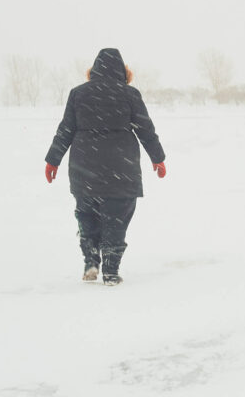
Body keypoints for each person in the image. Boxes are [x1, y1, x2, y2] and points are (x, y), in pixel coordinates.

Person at [44, 48, 166, 285]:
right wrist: (158, 157)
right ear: (124, 71)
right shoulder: (130, 94)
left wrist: (52, 160)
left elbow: (66, 129)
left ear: (93, 70)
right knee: (116, 218)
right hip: (121, 167)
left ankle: (90, 260)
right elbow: (145, 129)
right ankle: (110, 270)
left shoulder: (78, 94)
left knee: (86, 214)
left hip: (84, 167)